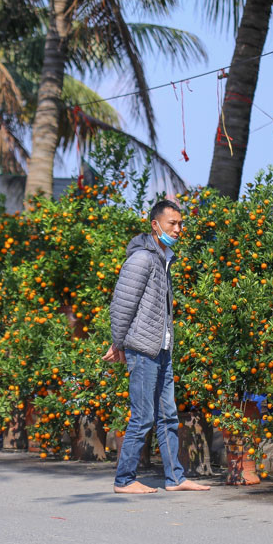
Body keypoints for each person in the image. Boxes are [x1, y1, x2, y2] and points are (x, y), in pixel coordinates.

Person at [103, 200, 209, 494]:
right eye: (172, 223)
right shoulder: (141, 260)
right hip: (142, 348)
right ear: (155, 225)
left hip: (161, 348)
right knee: (143, 416)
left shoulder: (163, 258)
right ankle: (124, 480)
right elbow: (121, 306)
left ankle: (175, 478)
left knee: (168, 415)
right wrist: (119, 343)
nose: (178, 229)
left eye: (180, 224)